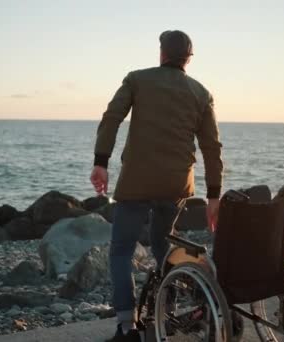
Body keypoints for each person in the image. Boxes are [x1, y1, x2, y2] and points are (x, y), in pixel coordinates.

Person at [90, 30, 224, 342]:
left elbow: (112, 118)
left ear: (161, 53)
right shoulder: (201, 93)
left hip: (137, 181)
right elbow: (212, 148)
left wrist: (101, 162)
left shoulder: (137, 79)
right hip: (177, 184)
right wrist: (214, 195)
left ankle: (127, 327)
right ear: (188, 58)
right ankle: (165, 313)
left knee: (122, 250)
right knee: (163, 244)